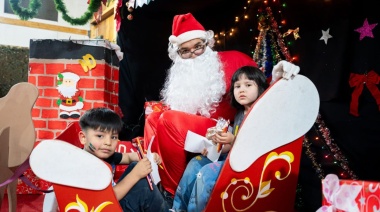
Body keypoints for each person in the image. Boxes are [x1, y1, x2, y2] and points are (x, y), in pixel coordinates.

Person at [143, 12, 299, 200]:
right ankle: (155, 180)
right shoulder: (179, 74)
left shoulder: (234, 60)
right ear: (178, 54)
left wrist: (277, 79)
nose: (192, 55)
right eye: (185, 51)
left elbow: (260, 88)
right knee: (153, 118)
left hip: (226, 129)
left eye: (198, 47)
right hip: (197, 136)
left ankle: (172, 193)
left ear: (207, 44)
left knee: (169, 119)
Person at [171, 66, 269, 211]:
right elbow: (230, 146)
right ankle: (178, 209)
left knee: (207, 172)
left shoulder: (261, 114)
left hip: (247, 163)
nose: (242, 90)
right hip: (231, 158)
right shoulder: (239, 114)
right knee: (195, 163)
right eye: (237, 86)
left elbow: (256, 146)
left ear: (260, 88)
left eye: (248, 85)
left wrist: (232, 139)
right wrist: (215, 145)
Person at [79, 107, 169, 212]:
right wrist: (135, 175)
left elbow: (128, 157)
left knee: (135, 165)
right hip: (103, 206)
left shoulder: (103, 154)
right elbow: (104, 200)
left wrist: (147, 157)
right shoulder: (86, 165)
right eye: (100, 136)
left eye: (113, 137)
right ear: (83, 138)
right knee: (142, 185)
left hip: (112, 201)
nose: (108, 143)